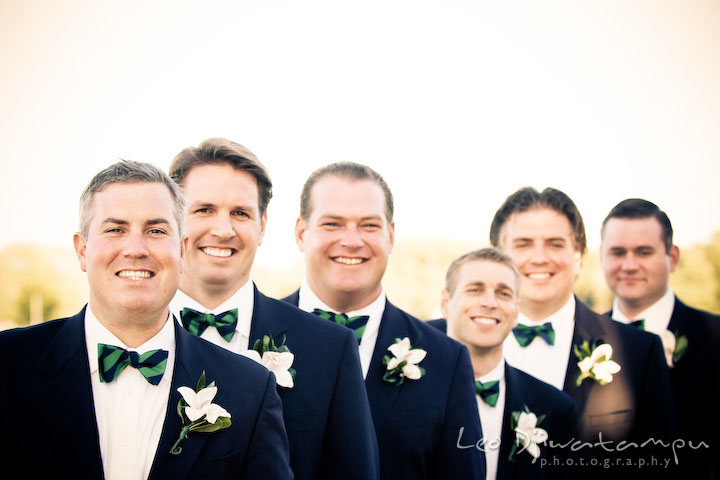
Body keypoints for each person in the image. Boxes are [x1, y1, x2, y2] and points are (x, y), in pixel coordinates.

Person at [0, 160, 292, 479]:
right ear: (82, 249)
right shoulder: (8, 363)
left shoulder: (249, 387)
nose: (136, 248)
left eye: (155, 230)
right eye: (115, 229)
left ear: (181, 251)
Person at [168, 139, 378, 480]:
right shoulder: (130, 343)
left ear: (262, 225)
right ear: (173, 219)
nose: (223, 230)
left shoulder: (330, 349)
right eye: (204, 209)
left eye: (240, 213)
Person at [284, 162, 485, 480]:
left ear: (390, 235)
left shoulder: (447, 361)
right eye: (333, 224)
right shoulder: (254, 338)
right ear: (301, 233)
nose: (351, 240)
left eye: (369, 225)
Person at [489, 187, 674, 474]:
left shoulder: (639, 353)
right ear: (497, 257)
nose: (539, 258)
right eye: (523, 244)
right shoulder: (449, 347)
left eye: (555, 244)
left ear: (579, 257)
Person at [429, 248, 577, 479]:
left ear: (516, 311)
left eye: (503, 293)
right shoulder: (404, 391)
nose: (490, 302)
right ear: (446, 302)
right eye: (475, 290)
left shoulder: (554, 407)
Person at [601, 198, 719, 478]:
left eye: (644, 252)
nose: (629, 265)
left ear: (673, 257)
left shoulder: (714, 336)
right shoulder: (582, 339)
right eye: (617, 252)